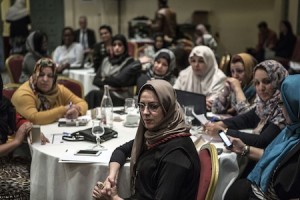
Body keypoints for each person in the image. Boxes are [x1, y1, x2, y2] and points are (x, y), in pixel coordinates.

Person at [92, 79, 200, 200]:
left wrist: (113, 198)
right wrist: (111, 178)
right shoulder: (158, 135)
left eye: (153, 107)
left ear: (167, 107)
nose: (145, 112)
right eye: (141, 106)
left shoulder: (176, 155)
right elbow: (121, 151)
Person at [205, 60, 288, 178]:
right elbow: (247, 118)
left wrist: (224, 132)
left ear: (278, 80)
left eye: (267, 82)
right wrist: (222, 123)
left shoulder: (283, 106)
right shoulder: (265, 104)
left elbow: (262, 141)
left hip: (271, 169)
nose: (261, 88)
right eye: (257, 83)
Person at [224, 74, 300, 200]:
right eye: (256, 83)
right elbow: (274, 156)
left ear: (296, 104)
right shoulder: (291, 129)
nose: (280, 109)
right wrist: (244, 149)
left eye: (283, 103)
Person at [0, 74, 48, 199]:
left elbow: (17, 119)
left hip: (5, 159)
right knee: (29, 184)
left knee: (42, 170)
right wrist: (16, 142)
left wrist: (29, 128)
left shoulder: (2, 104)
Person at [11, 58, 88, 125]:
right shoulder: (24, 93)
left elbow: (82, 103)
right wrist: (63, 110)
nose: (45, 79)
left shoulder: (58, 90)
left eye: (50, 76)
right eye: (41, 75)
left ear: (54, 78)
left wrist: (77, 111)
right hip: (25, 139)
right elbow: (34, 119)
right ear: (35, 76)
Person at [87, 34, 137, 107]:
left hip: (121, 97)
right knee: (94, 95)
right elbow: (95, 80)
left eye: (120, 45)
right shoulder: (106, 60)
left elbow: (120, 81)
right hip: (105, 94)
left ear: (125, 47)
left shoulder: (129, 61)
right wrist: (110, 82)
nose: (117, 48)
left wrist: (104, 79)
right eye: (114, 45)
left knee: (94, 94)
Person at [173, 45, 226, 110]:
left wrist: (187, 100)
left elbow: (213, 104)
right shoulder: (184, 74)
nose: (196, 65)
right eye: (193, 61)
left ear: (209, 61)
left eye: (201, 61)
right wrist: (200, 102)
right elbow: (174, 95)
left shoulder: (219, 78)